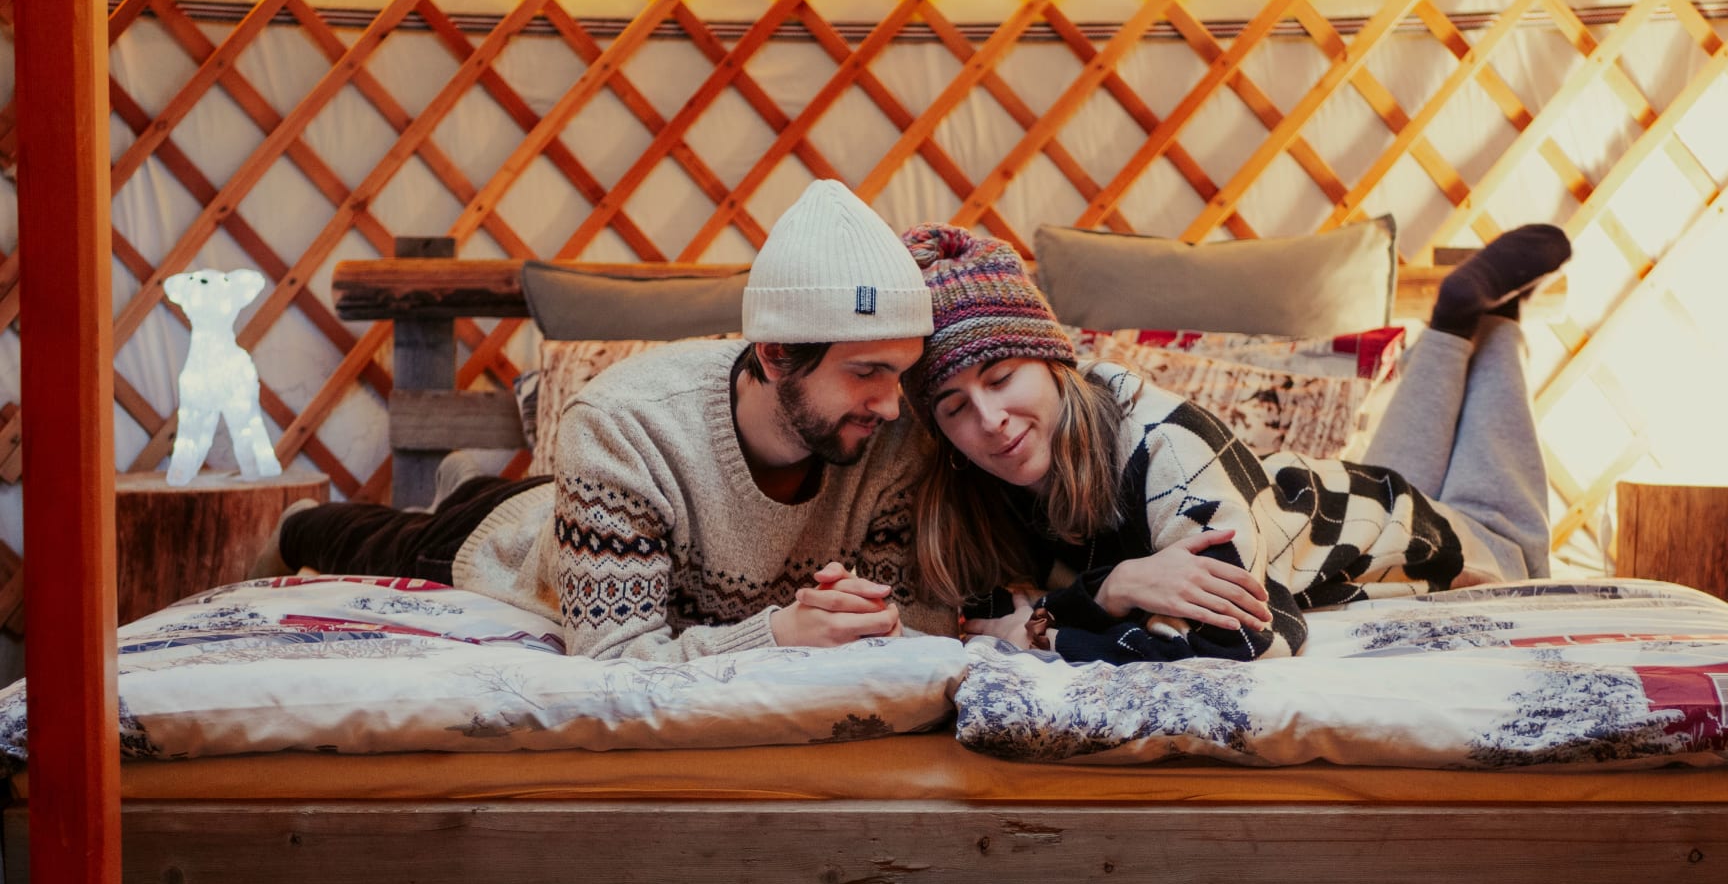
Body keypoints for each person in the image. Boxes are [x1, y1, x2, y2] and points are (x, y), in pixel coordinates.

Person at [255, 180, 951, 660]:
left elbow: (917, 624)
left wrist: (873, 618)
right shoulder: (624, 423)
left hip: (601, 506)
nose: (892, 404)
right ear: (774, 355)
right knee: (366, 537)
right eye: (865, 373)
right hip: (514, 543)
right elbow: (614, 659)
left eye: (901, 370)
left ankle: (463, 478)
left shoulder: (894, 439)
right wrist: (774, 635)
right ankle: (385, 504)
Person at [903, 222, 1570, 664]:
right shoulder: (980, 487)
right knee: (1390, 477)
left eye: (1001, 377)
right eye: (955, 406)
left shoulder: (1168, 447)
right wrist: (1106, 594)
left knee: (1509, 543)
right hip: (1333, 505)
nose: (988, 419)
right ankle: (1457, 319)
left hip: (1408, 534)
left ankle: (1491, 319)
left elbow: (1241, 638)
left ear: (1056, 365)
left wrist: (1068, 613)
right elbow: (980, 618)